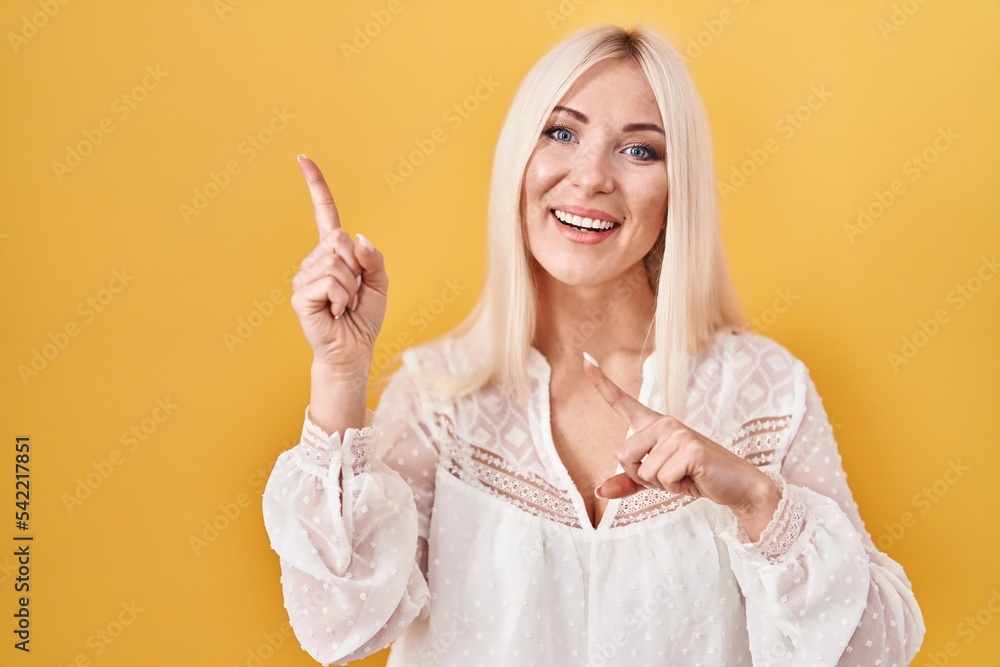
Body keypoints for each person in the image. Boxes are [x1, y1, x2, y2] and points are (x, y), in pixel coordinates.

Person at [263, 24, 925, 666]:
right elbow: (340, 626)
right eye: (561, 132)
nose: (589, 178)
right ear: (519, 159)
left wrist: (756, 500)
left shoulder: (763, 390)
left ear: (678, 190)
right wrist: (340, 374)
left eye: (639, 150)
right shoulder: (439, 398)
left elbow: (872, 654)